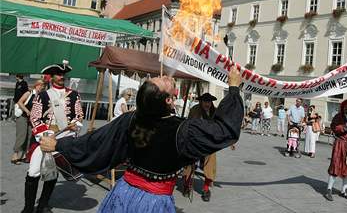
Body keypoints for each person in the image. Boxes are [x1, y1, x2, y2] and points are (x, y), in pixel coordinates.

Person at [39, 66, 244, 212]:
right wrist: (233, 89)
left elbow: (93, 142)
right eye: (162, 81)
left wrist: (59, 144)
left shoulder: (131, 119)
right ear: (169, 100)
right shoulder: (183, 130)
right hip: (152, 204)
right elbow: (224, 130)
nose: (164, 76)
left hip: (123, 193)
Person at [22, 62, 83, 213]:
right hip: (44, 137)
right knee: (33, 171)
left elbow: (79, 115)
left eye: (63, 74)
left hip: (63, 139)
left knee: (52, 173)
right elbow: (35, 118)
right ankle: (28, 208)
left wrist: (75, 124)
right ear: (52, 77)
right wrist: (45, 135)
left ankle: (43, 206)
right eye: (58, 74)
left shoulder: (74, 95)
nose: (61, 76)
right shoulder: (43, 95)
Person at [182, 92, 218, 202]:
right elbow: (189, 124)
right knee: (189, 164)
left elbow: (219, 127)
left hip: (209, 143)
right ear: (201, 101)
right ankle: (187, 186)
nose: (207, 104)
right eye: (205, 101)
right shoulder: (194, 110)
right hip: (195, 141)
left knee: (210, 164)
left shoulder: (215, 112)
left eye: (209, 101)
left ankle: (206, 189)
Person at [11, 80, 44, 164]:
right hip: (22, 116)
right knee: (21, 136)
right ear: (36, 85)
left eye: (42, 86)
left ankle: (25, 155)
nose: (42, 87)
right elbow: (20, 102)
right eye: (40, 85)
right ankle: (15, 155)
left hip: (31, 119)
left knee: (29, 137)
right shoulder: (28, 93)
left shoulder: (39, 96)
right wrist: (27, 111)